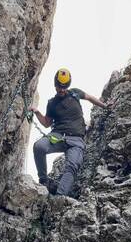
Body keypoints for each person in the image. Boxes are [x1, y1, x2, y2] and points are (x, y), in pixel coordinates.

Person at [28, 67, 108, 196]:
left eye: (65, 86)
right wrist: (37, 112)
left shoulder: (75, 93)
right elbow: (47, 123)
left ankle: (59, 197)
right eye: (60, 86)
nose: (62, 89)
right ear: (55, 85)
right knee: (39, 147)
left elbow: (90, 97)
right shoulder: (52, 103)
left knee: (72, 166)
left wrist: (105, 106)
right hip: (58, 136)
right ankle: (44, 181)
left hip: (77, 140)